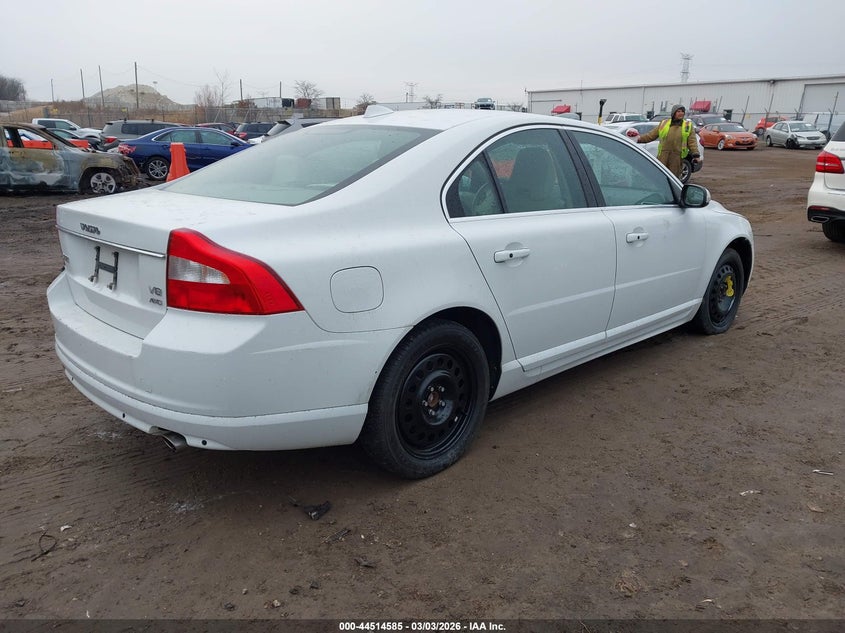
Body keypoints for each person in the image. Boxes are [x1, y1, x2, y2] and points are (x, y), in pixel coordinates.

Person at [637, 104, 701, 180]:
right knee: (660, 177)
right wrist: (638, 139)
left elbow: (692, 142)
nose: (681, 113)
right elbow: (651, 136)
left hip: (677, 157)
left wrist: (696, 155)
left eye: (683, 111)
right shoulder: (664, 123)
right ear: (673, 113)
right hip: (663, 156)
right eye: (679, 111)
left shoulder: (687, 126)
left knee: (673, 179)